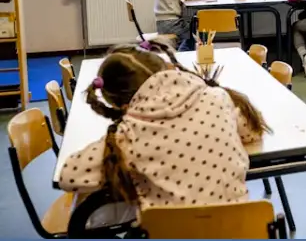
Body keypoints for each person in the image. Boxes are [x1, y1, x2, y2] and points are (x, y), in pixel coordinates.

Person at [58, 38, 269, 208]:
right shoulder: (217, 97)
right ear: (167, 68)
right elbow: (251, 133)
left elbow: (69, 176)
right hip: (239, 228)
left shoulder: (128, 135)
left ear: (123, 106)